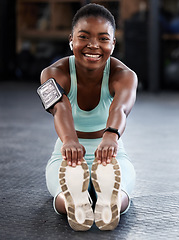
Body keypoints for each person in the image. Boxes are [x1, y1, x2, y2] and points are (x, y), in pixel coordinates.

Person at [40, 3, 137, 231]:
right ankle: (75, 202)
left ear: (113, 44)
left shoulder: (125, 75)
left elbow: (120, 108)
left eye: (103, 39)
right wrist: (70, 140)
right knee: (63, 198)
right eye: (84, 37)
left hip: (110, 153)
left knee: (120, 196)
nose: (93, 45)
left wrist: (111, 136)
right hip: (68, 155)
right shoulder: (52, 73)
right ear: (71, 39)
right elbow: (59, 107)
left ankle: (110, 202)